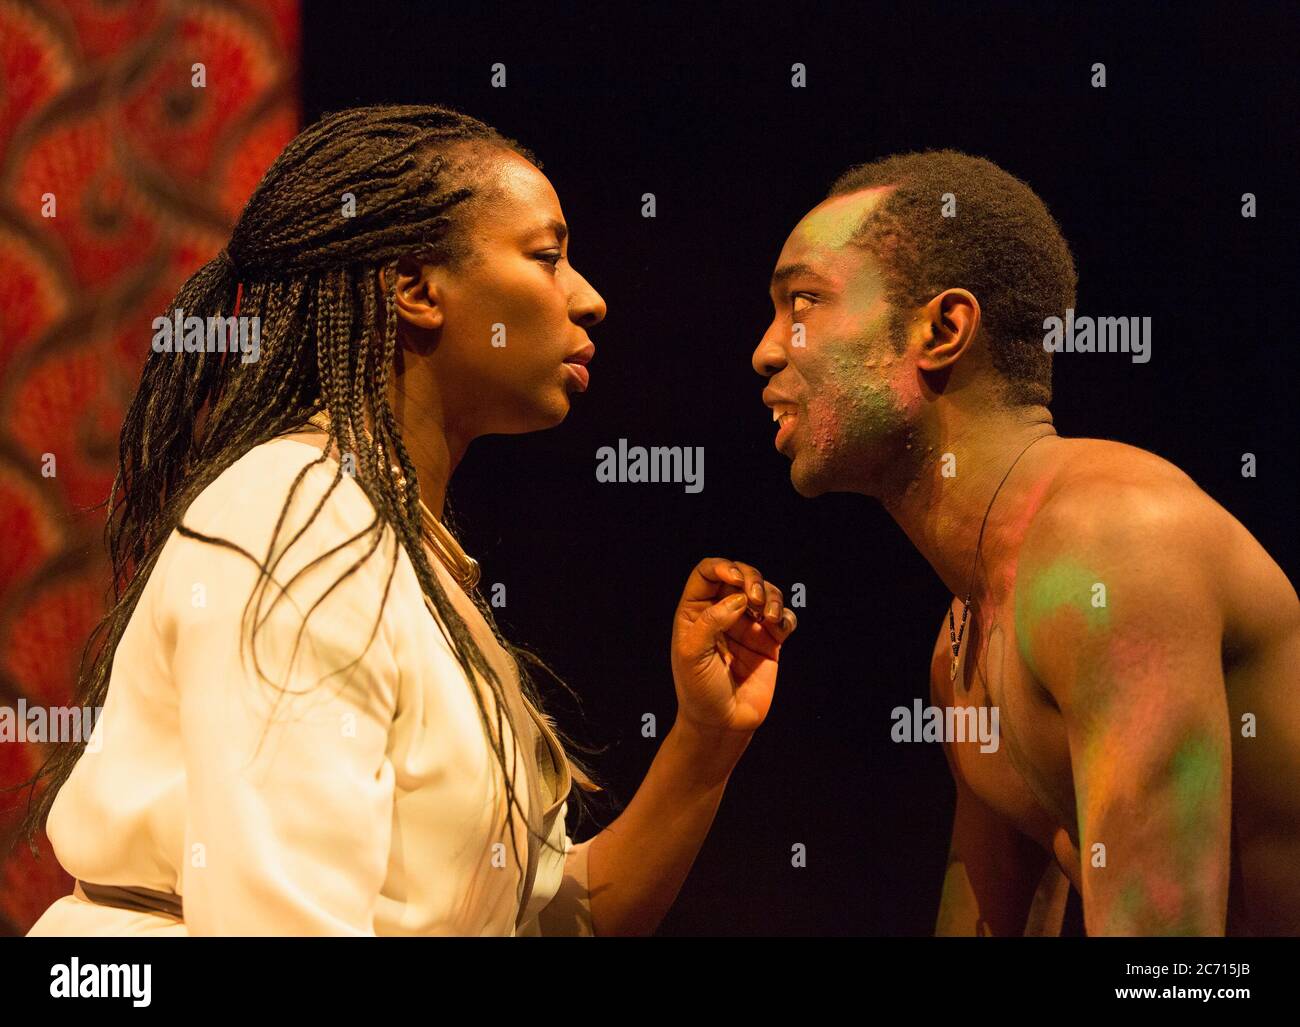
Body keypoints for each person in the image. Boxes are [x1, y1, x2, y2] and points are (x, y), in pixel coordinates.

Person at [16, 104, 797, 936]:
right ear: (419, 288)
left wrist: (704, 744)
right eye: (547, 257)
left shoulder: (397, 545)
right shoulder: (299, 523)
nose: (590, 299)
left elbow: (551, 921)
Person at [751, 149, 1300, 936]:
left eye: (802, 302)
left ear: (942, 329)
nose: (767, 349)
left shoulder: (1115, 547)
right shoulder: (961, 643)